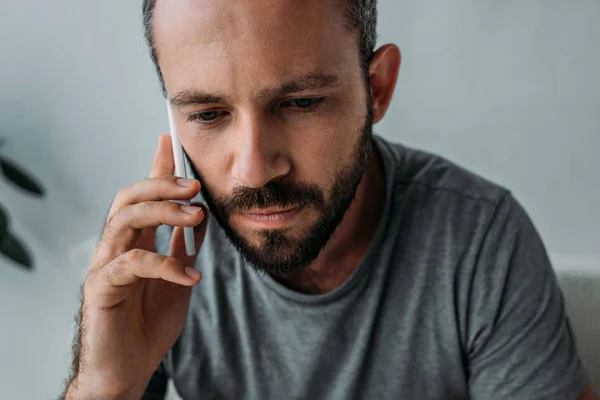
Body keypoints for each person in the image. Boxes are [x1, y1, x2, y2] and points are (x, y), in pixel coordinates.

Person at [61, 0, 597, 399]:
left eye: (301, 102)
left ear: (377, 89)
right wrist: (106, 386)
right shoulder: (155, 260)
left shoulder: (479, 241)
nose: (253, 169)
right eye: (207, 115)